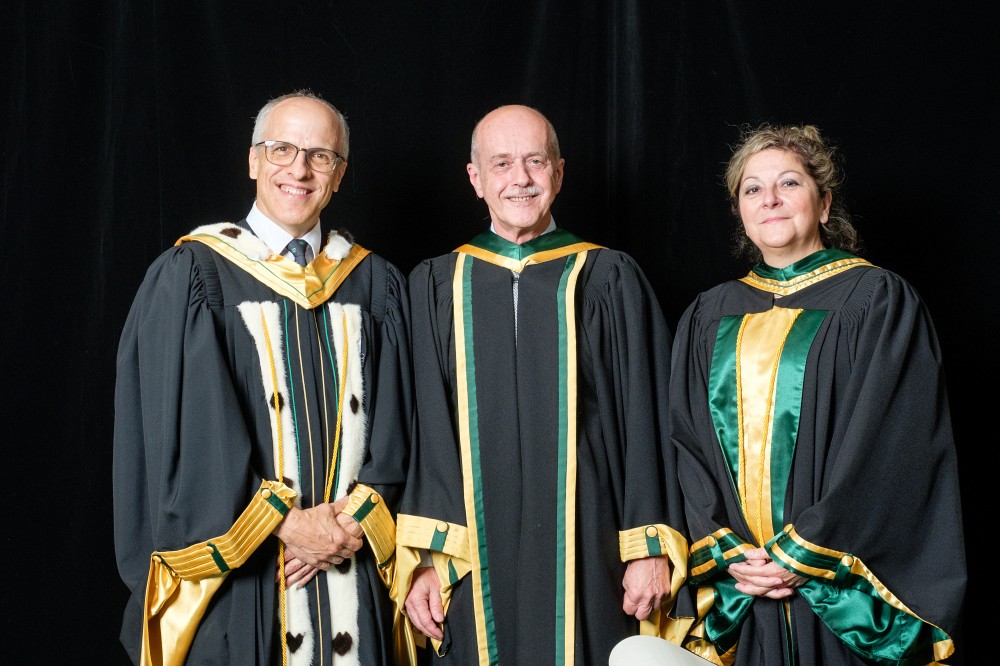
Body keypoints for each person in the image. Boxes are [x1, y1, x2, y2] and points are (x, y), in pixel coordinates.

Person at [113, 89, 413, 665]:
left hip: (353, 582)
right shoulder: (196, 273)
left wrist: (347, 527)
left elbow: (405, 426)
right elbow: (183, 435)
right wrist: (283, 524)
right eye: (282, 150)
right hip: (243, 588)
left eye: (320, 156)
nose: (299, 169)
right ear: (253, 160)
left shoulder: (376, 284)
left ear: (340, 173)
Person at [393, 104, 692, 665]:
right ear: (476, 178)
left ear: (558, 172)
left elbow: (648, 416)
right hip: (471, 553)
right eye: (501, 163)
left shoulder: (608, 277)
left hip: (592, 542)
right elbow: (423, 430)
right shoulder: (434, 285)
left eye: (534, 161)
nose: (520, 178)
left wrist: (648, 546)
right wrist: (430, 557)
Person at [668, 123, 966, 664]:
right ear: (739, 212)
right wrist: (731, 551)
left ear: (824, 203)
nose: (770, 200)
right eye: (752, 189)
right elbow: (684, 441)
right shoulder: (708, 314)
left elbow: (892, 444)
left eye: (789, 183)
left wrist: (801, 551)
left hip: (838, 586)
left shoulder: (875, 300)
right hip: (746, 586)